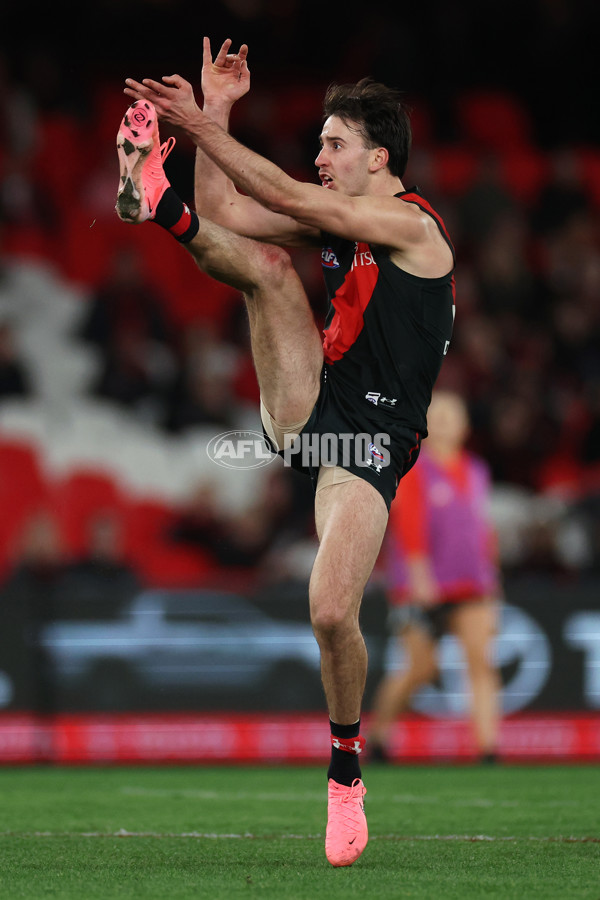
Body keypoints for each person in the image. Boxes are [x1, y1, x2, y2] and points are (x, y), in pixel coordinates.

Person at [115, 37, 455, 867]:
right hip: (311, 405)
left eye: (334, 145)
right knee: (265, 263)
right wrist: (216, 117)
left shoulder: (408, 223)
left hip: (368, 445)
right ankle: (153, 201)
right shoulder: (339, 219)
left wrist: (199, 124)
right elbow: (233, 212)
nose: (319, 155)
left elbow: (291, 194)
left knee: (332, 611)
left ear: (380, 158)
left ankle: (346, 772)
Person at [368, 390, 502, 763]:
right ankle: (377, 735)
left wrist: (493, 578)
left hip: (472, 583)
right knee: (420, 670)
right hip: (422, 587)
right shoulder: (415, 467)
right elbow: (408, 525)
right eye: (437, 415)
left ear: (465, 425)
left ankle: (488, 749)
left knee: (481, 661)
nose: (444, 422)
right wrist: (418, 577)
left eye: (451, 415)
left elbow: (483, 528)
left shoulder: (476, 469)